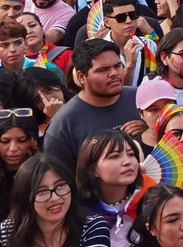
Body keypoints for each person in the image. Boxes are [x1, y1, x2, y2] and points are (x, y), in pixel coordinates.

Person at [42, 38, 142, 169]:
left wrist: (149, 131)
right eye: (103, 69)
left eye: (118, 66)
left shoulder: (141, 98)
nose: (114, 73)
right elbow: (60, 177)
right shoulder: (63, 125)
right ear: (81, 77)